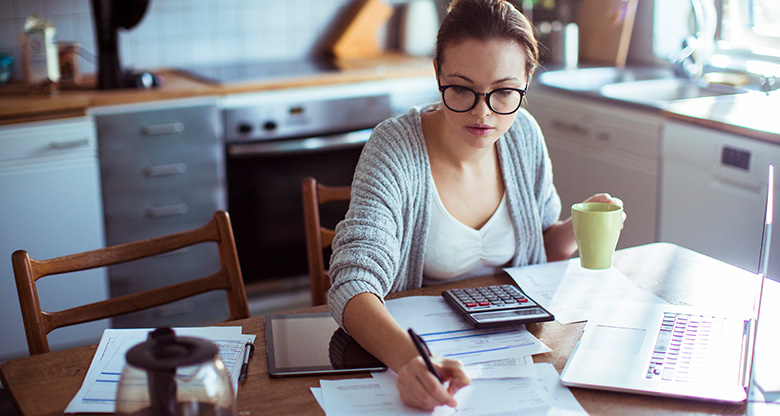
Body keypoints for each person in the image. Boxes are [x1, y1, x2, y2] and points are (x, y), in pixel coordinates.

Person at [327, 0, 624, 410]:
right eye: (463, 89)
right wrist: (412, 361)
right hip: (421, 354)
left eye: (503, 91)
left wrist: (575, 227)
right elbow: (352, 283)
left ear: (526, 79)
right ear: (437, 73)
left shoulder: (524, 137)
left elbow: (541, 246)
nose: (483, 113)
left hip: (518, 355)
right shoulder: (394, 148)